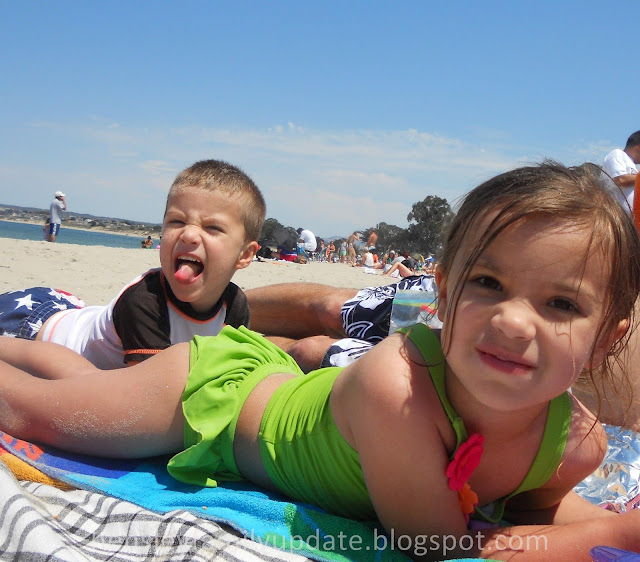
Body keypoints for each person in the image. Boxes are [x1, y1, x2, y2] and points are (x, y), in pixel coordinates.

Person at [2, 161, 640, 559]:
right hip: (213, 398)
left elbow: (526, 517)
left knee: (90, 385)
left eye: (561, 303)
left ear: (608, 338)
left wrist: (596, 525)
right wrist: (616, 533)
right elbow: (439, 547)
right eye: (489, 284)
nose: (512, 321)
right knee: (37, 412)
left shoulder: (575, 444)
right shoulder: (400, 388)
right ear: (445, 294)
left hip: (276, 387)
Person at [0, 159, 264, 368]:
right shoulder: (145, 301)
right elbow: (151, 394)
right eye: (177, 221)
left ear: (244, 255)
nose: (189, 234)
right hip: (33, 326)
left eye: (213, 227)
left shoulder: (234, 306)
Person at [601, 130, 640, 213]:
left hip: (630, 219)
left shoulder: (633, 165)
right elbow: (620, 180)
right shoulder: (617, 154)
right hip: (615, 216)